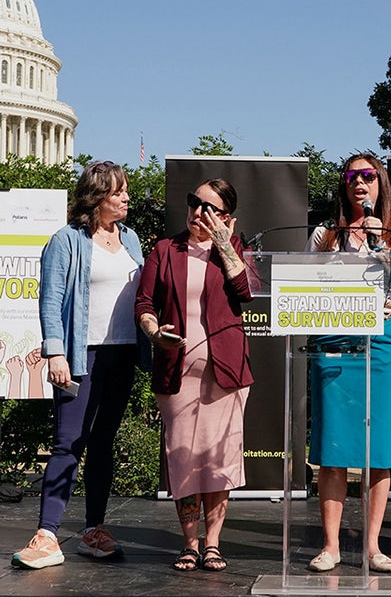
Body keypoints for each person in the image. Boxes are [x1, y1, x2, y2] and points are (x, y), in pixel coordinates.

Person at [12, 160, 146, 570]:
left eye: (125, 191)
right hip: (80, 355)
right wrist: (55, 352)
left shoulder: (131, 239)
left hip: (122, 353)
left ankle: (94, 530)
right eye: (118, 192)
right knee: (68, 442)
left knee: (103, 442)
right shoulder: (66, 240)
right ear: (96, 196)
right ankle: (46, 535)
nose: (126, 198)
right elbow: (50, 299)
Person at [305, 154, 391, 574]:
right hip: (333, 337)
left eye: (368, 175)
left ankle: (372, 547)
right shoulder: (325, 234)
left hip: (382, 338)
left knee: (380, 449)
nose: (360, 182)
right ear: (345, 184)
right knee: (332, 446)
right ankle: (331, 546)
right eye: (353, 176)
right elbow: (306, 283)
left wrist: (381, 243)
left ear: (379, 183)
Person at [135, 178, 254, 572]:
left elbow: (245, 291)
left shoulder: (235, 249)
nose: (198, 212)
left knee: (218, 458)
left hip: (226, 371)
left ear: (226, 217)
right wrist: (155, 332)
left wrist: (224, 243)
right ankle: (189, 544)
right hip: (177, 373)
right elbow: (144, 303)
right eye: (193, 202)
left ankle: (213, 544)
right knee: (184, 459)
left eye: (209, 207)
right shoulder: (165, 249)